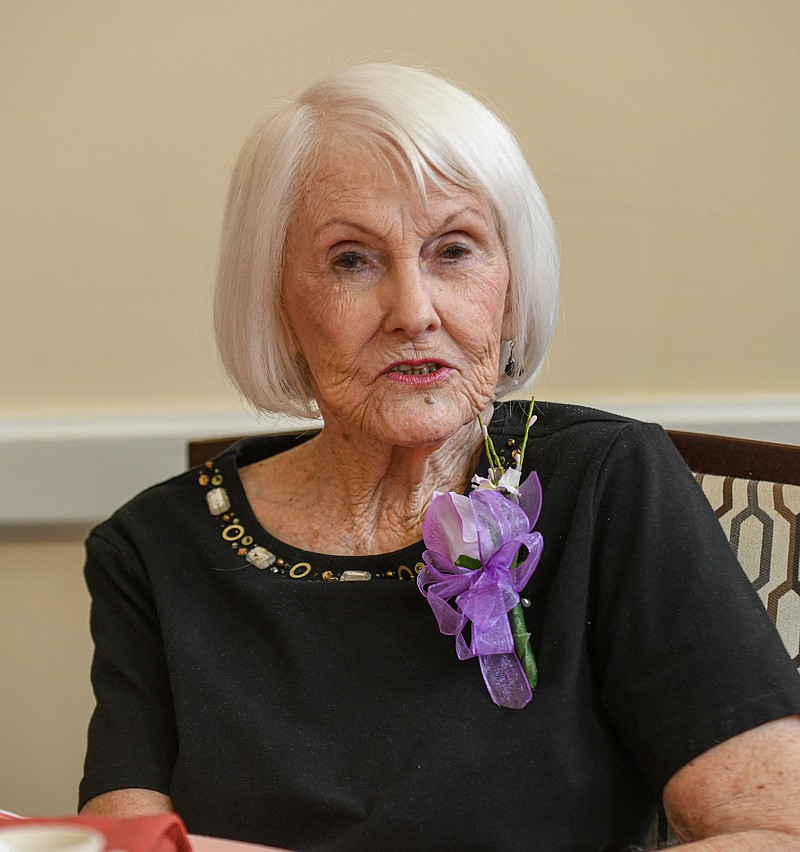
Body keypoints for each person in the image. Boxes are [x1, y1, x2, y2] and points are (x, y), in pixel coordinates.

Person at [79, 64, 800, 850]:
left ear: (512, 287)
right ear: (276, 301)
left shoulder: (609, 482)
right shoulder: (156, 546)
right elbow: (126, 844)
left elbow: (770, 828)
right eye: (352, 260)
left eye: (453, 251)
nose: (414, 312)